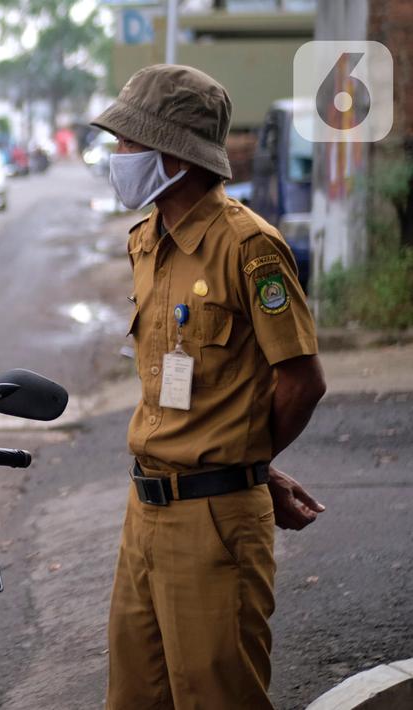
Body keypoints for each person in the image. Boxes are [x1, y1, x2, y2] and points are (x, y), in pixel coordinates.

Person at [92, 64, 328, 709]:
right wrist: (246, 461)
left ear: (173, 154)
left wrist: (244, 466)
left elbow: (302, 381)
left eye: (128, 143)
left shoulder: (249, 246)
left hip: (214, 524)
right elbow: (191, 394)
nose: (117, 156)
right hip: (145, 510)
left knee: (218, 698)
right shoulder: (146, 241)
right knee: (133, 698)